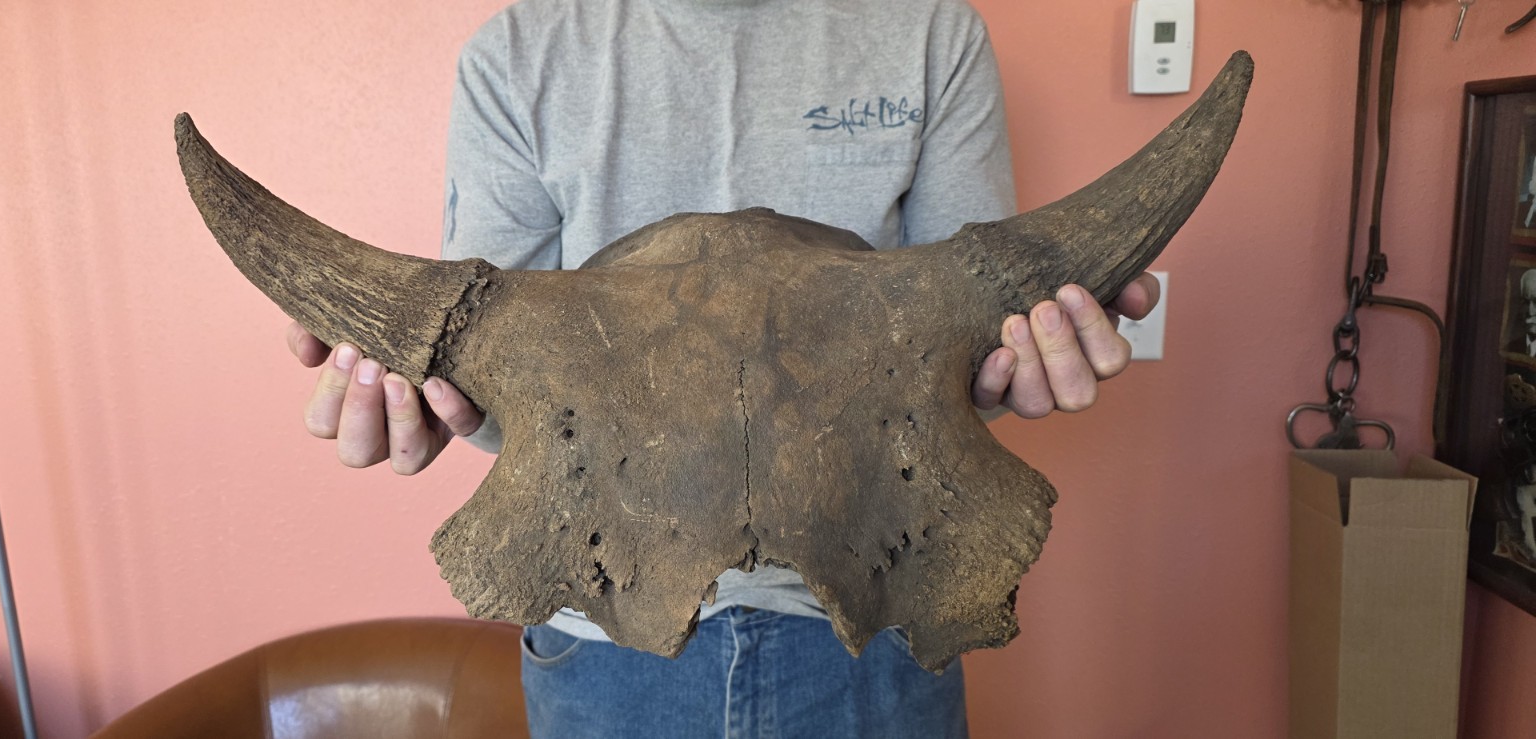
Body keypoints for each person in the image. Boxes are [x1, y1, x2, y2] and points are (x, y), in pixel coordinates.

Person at [283, 0, 1159, 735]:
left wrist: (1020, 364)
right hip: (604, 634)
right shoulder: (517, 57)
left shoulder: (930, 31)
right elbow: (498, 388)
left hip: (880, 616)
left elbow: (961, 356)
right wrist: (419, 398)